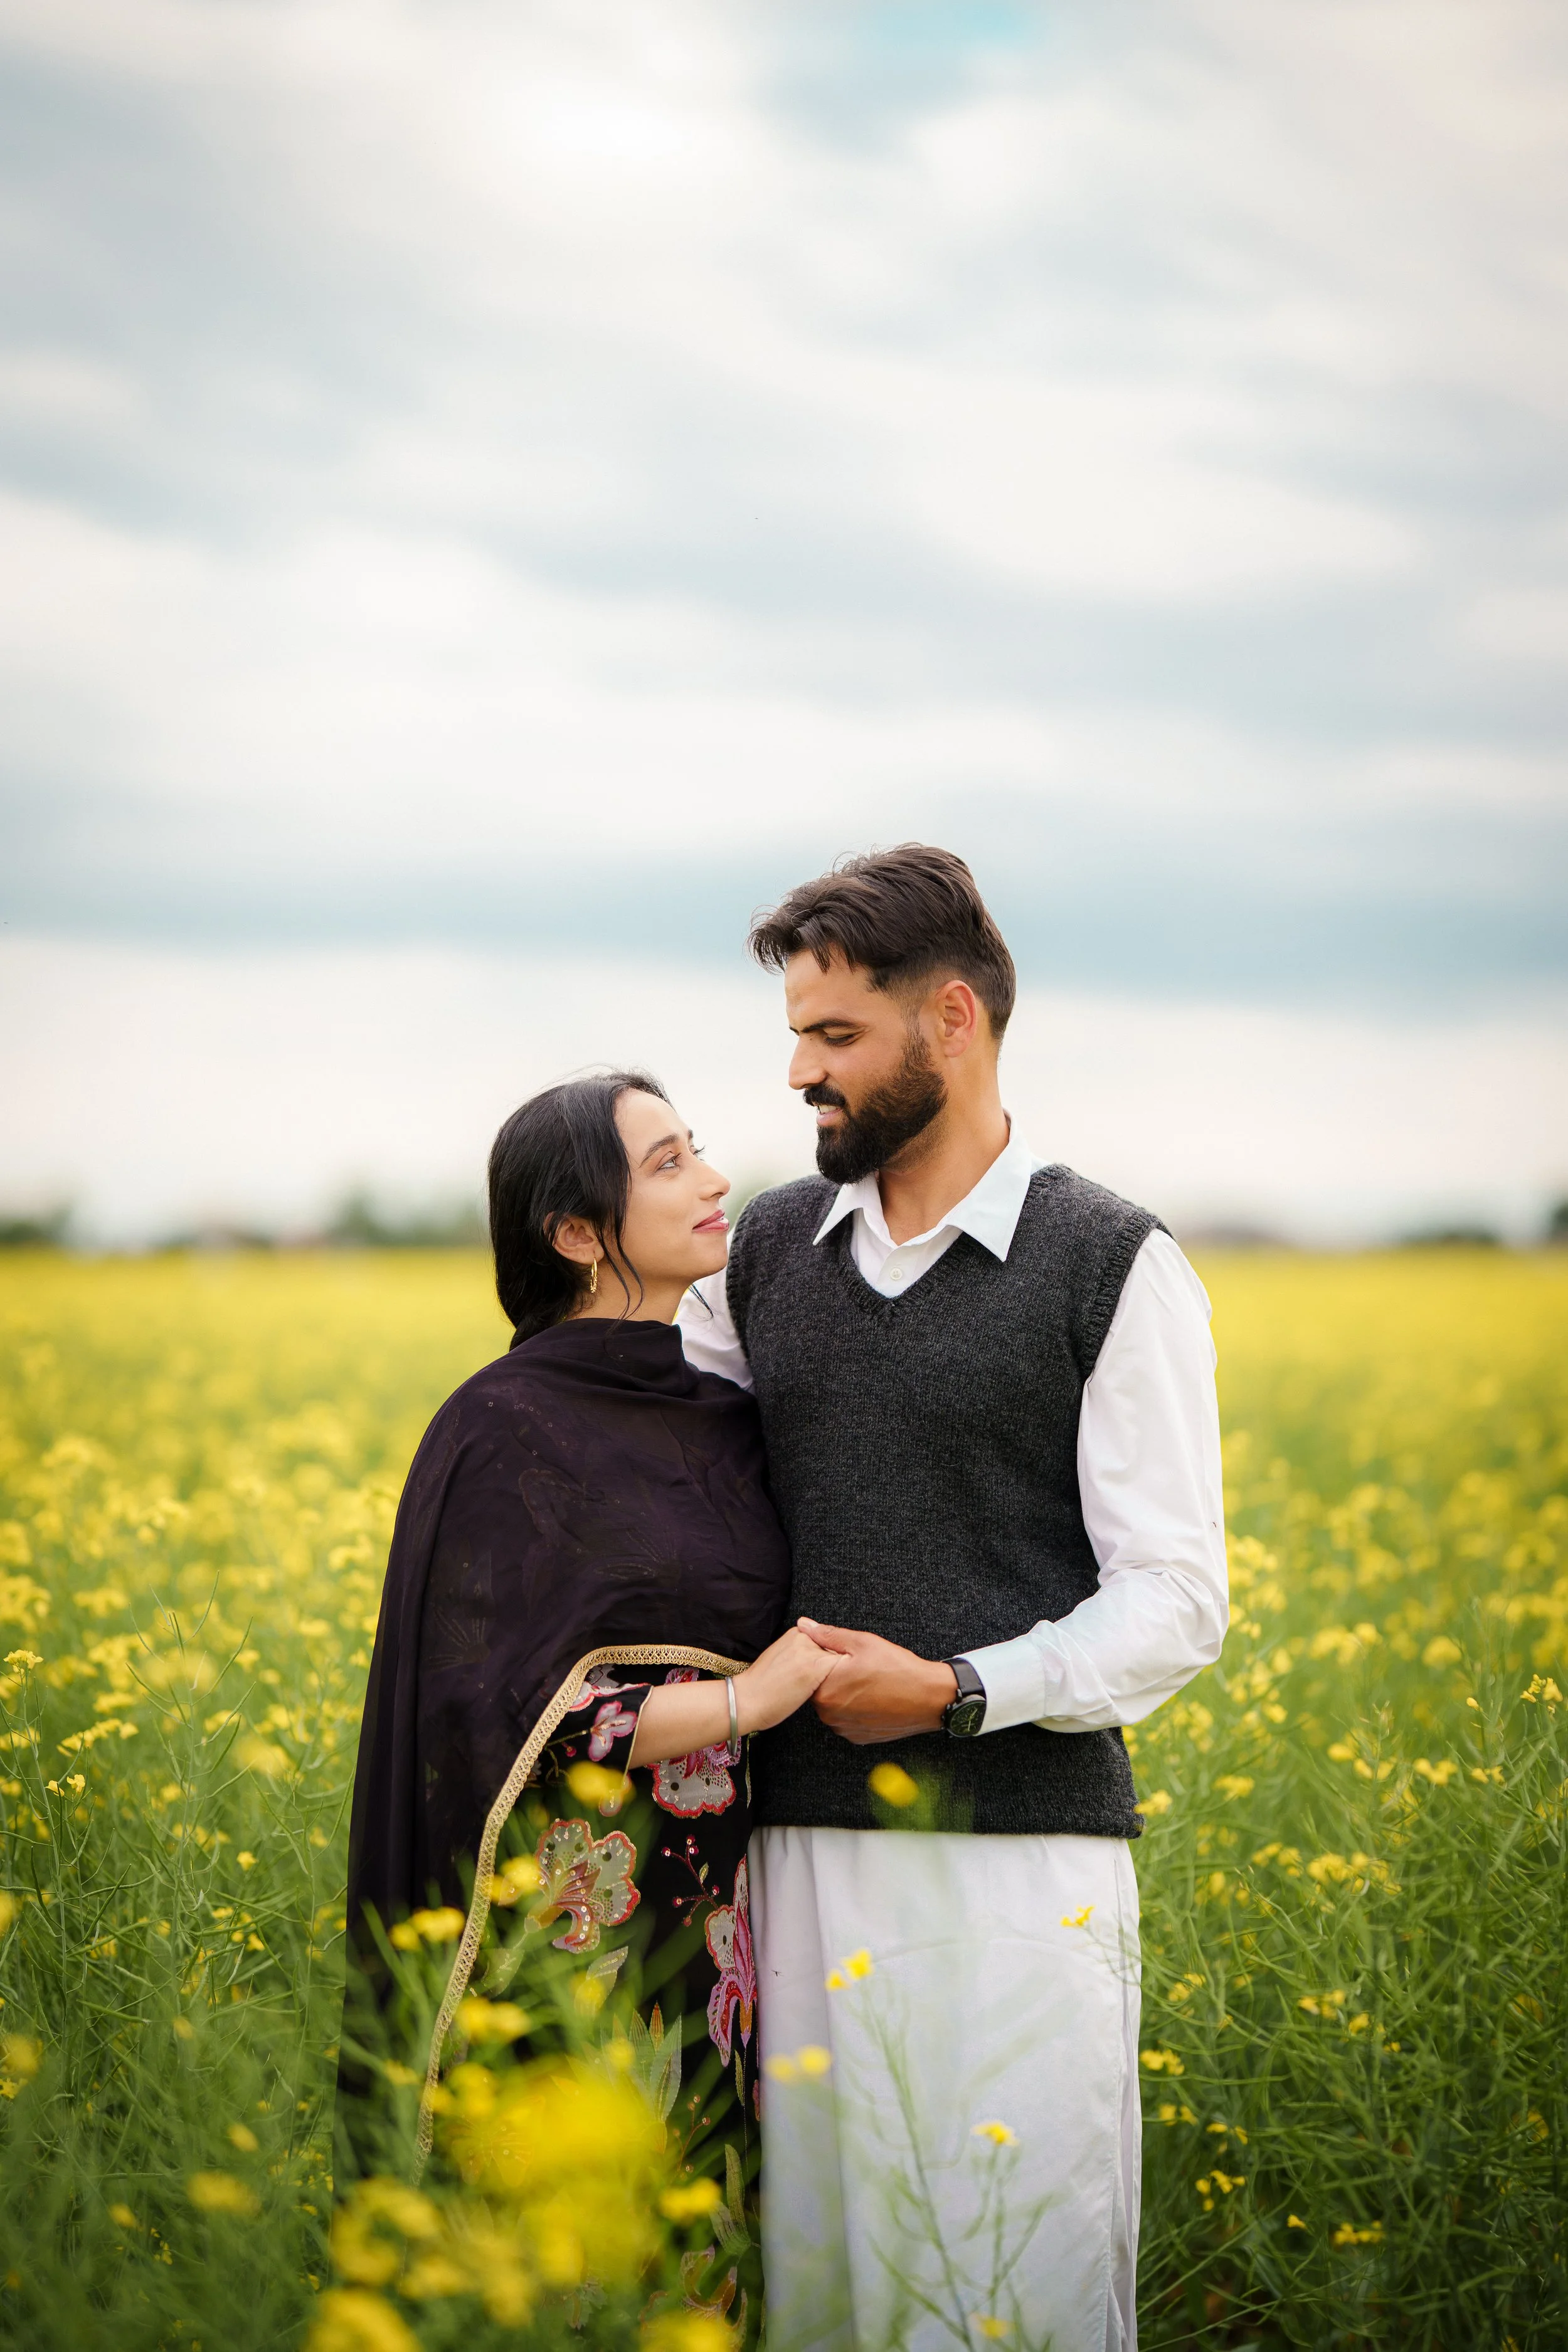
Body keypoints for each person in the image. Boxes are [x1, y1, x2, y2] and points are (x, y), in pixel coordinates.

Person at [678, 849, 1229, 2352]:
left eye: (834, 1036)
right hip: (786, 1861)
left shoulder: (1109, 1262)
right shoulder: (759, 1258)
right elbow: (665, 1510)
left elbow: (1177, 1598)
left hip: (1021, 1875)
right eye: (793, 1035)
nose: (800, 1072)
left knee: (1011, 2294)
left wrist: (957, 1687)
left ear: (950, 1022)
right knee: (819, 2296)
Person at [344, 1070, 834, 2321]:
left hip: (718, 1946)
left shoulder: (730, 1418)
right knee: (556, 2277)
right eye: (667, 1163)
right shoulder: (499, 1427)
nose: (713, 1180)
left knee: (700, 2272)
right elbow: (495, 1715)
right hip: (570, 1943)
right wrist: (748, 1702)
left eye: (698, 1151)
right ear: (574, 1232)